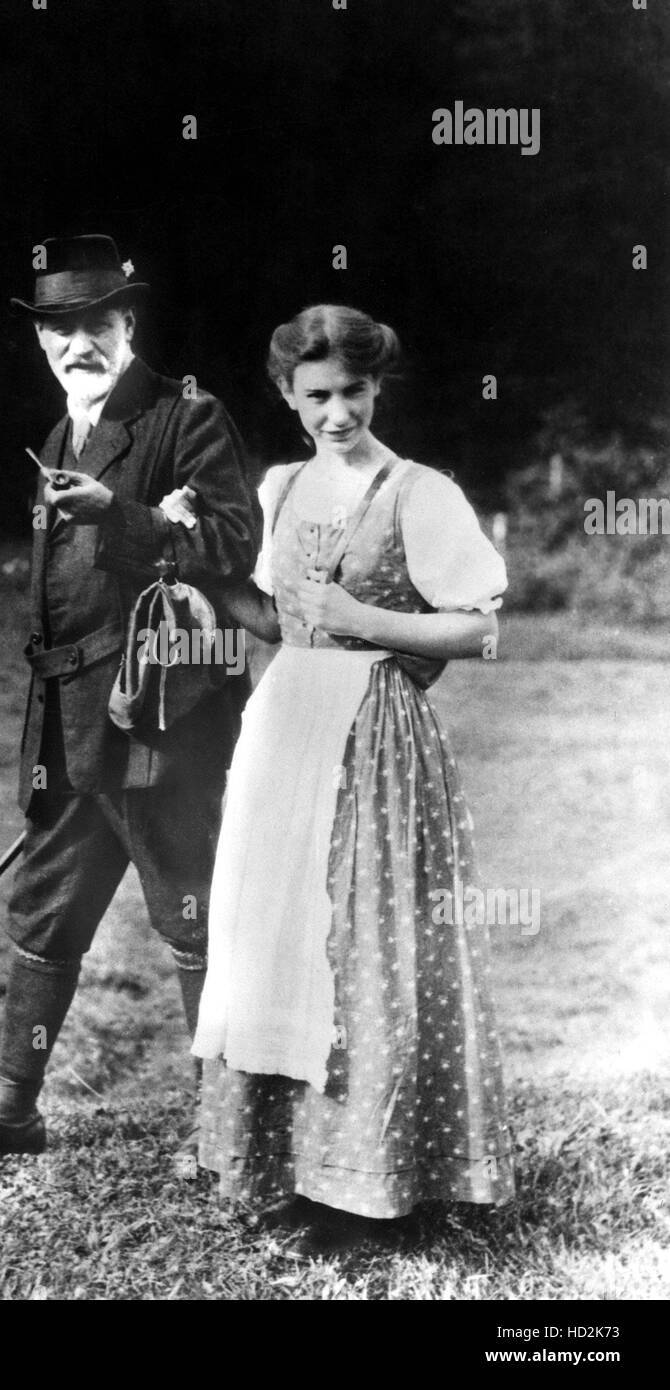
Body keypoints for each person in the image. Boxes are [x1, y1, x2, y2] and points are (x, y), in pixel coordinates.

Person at [0, 235, 257, 1185]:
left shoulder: (186, 415)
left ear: (127, 324)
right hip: (66, 726)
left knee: (190, 910)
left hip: (159, 721)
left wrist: (123, 516)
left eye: (95, 323)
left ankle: (226, 1130)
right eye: (57, 330)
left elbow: (232, 543)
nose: (76, 344)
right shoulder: (60, 434)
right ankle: (12, 1114)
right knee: (44, 911)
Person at [191, 304, 516, 1253]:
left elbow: (478, 628)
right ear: (290, 400)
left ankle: (368, 1192)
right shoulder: (282, 486)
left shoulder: (420, 491)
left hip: (376, 734)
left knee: (361, 948)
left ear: (378, 389)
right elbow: (272, 617)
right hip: (286, 726)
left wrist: (356, 613)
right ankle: (289, 1170)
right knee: (278, 941)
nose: (339, 413)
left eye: (355, 393)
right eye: (318, 395)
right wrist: (194, 564)